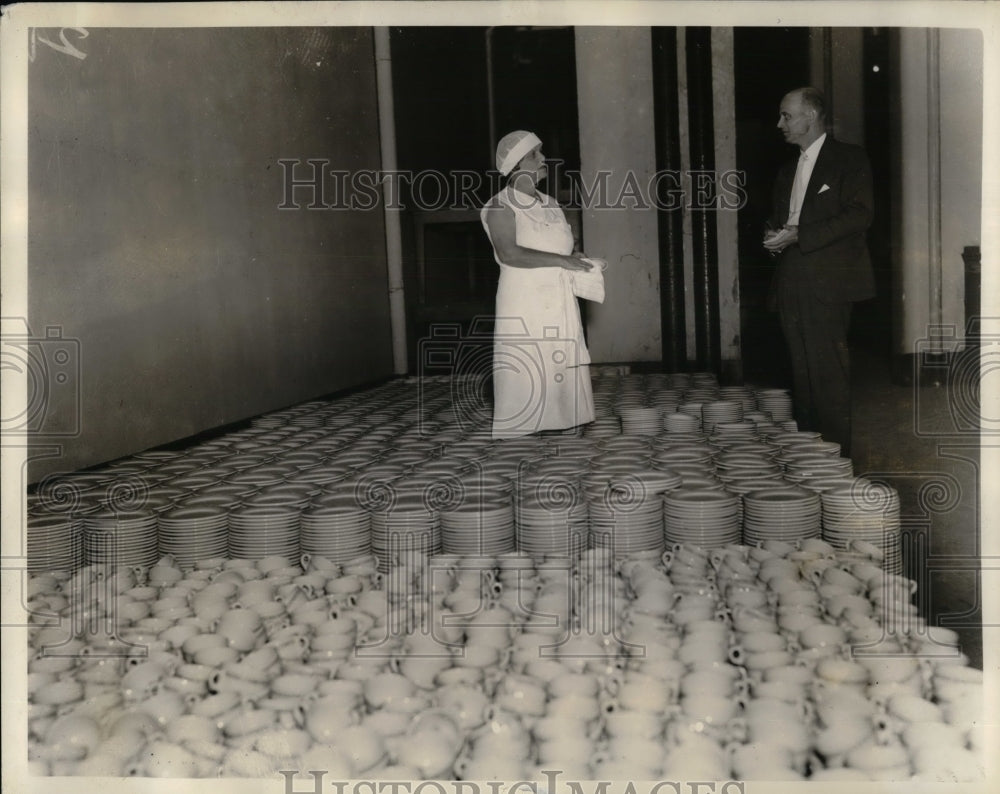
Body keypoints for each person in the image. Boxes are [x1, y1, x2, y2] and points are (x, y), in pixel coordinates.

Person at [764, 88, 875, 457]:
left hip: (829, 283)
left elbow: (860, 214)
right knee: (801, 377)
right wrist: (774, 235)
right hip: (791, 280)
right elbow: (783, 219)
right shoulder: (785, 169)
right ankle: (812, 462)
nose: (780, 124)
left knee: (828, 377)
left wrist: (801, 235)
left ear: (810, 116)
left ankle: (837, 464)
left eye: (786, 115)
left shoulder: (849, 159)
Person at [481, 130, 597, 438]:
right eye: (536, 155)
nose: (544, 159)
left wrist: (575, 257)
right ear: (518, 165)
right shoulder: (501, 206)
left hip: (557, 297)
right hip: (524, 299)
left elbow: (559, 250)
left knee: (560, 359)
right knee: (530, 362)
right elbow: (510, 253)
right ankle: (525, 435)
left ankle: (566, 426)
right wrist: (563, 261)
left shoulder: (549, 203)